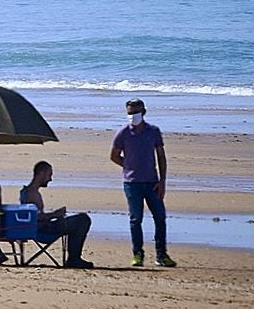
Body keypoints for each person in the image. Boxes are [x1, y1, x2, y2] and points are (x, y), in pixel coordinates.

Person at [110, 99, 176, 267]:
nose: (132, 116)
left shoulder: (153, 131)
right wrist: (129, 165)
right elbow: (114, 156)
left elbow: (161, 156)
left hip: (152, 182)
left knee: (160, 217)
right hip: (132, 183)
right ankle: (137, 254)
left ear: (143, 112)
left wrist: (162, 181)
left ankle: (161, 255)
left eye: (135, 112)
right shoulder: (123, 133)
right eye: (130, 113)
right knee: (135, 219)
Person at [20, 160, 95, 268]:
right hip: (43, 230)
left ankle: (74, 258)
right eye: (49, 175)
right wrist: (55, 215)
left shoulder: (27, 191)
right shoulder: (32, 194)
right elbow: (35, 218)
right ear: (41, 173)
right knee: (83, 220)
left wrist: (55, 215)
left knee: (78, 220)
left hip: (42, 227)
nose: (50, 179)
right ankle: (74, 259)